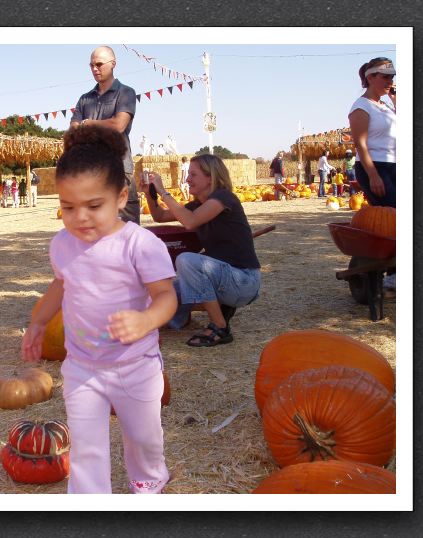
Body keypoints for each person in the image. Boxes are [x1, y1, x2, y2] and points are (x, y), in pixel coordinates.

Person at [22, 124, 177, 494]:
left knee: (144, 440)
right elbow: (61, 285)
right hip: (82, 368)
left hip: (136, 365)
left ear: (121, 197)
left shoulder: (140, 245)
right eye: (68, 207)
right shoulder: (62, 245)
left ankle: (149, 483)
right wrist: (38, 323)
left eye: (94, 206)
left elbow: (166, 297)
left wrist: (146, 319)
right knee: (87, 449)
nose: (81, 217)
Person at [144, 154, 261, 347]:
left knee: (186, 260)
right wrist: (150, 194)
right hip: (223, 278)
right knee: (160, 299)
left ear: (210, 178)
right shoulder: (197, 205)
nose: (187, 179)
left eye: (193, 174)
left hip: (244, 281)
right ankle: (184, 317)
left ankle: (220, 326)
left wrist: (164, 192)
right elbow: (159, 216)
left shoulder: (224, 198)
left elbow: (189, 222)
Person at [70, 45, 140, 224]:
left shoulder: (126, 92)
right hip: (91, 171)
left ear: (113, 64)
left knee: (128, 227)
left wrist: (90, 123)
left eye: (99, 64)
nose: (94, 69)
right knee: (96, 227)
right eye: (91, 65)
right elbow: (73, 131)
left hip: (119, 168)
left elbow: (119, 125)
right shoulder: (84, 98)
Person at [348, 57, 396, 208]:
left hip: (393, 164)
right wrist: (373, 176)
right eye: (385, 77)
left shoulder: (387, 106)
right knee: (391, 214)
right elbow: (360, 144)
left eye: (392, 77)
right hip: (375, 166)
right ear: (370, 77)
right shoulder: (361, 106)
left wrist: (395, 100)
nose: (390, 81)